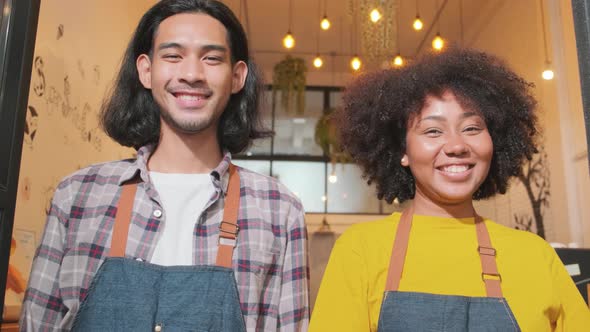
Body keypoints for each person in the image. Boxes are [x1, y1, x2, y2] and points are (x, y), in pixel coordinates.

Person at [20, 1, 309, 331]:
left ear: (237, 77)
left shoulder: (279, 211)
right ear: (146, 70)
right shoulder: (78, 196)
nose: (191, 74)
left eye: (212, 58)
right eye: (173, 56)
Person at [309, 47, 590, 331]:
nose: (457, 146)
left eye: (471, 128)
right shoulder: (361, 250)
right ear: (402, 151)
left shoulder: (536, 256)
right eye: (433, 131)